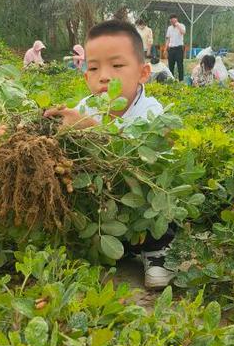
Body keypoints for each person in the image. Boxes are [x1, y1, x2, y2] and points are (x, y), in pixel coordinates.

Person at [43, 20, 174, 288]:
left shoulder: (153, 112)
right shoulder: (84, 108)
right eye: (94, 68)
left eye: (116, 65)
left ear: (143, 73)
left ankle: (156, 254)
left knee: (161, 198)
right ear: (86, 77)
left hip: (139, 206)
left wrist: (92, 131)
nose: (104, 75)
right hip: (102, 206)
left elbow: (145, 160)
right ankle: (91, 245)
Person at [165, 14, 186, 81]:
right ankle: (172, 80)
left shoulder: (181, 25)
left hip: (179, 48)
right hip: (171, 49)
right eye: (171, 21)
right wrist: (165, 49)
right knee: (171, 65)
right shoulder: (169, 28)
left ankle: (181, 80)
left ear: (176, 19)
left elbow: (183, 32)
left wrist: (178, 25)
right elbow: (168, 39)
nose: (172, 22)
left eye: (173, 21)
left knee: (180, 65)